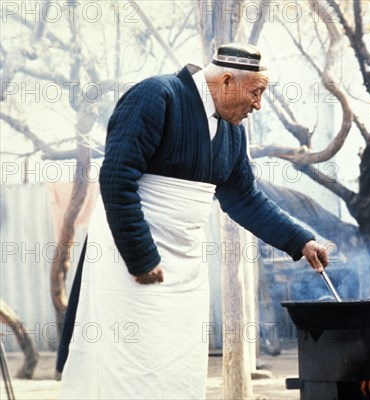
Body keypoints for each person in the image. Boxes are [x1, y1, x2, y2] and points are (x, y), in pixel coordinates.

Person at [59, 43, 329, 399]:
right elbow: (117, 178)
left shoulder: (232, 132)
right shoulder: (157, 96)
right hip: (131, 257)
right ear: (228, 80)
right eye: (257, 92)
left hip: (185, 260)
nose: (258, 105)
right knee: (131, 361)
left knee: (178, 362)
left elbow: (245, 198)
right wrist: (141, 256)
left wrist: (300, 240)